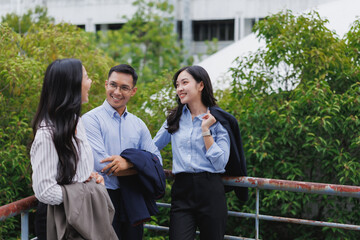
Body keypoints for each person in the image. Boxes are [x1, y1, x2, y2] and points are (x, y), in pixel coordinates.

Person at [154, 65, 247, 240]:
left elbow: (220, 163)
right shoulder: (175, 118)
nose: (179, 88)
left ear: (201, 85)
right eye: (177, 85)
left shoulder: (219, 121)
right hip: (182, 190)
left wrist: (206, 130)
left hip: (210, 190)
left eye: (184, 82)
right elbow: (152, 147)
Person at [30, 58, 115, 240]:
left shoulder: (76, 122)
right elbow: (45, 191)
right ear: (72, 85)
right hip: (59, 219)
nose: (90, 82)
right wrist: (89, 192)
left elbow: (74, 171)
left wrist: (89, 176)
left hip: (78, 214)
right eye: (86, 77)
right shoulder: (47, 134)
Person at [82, 64, 164, 240]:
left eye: (124, 87)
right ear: (106, 84)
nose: (117, 92)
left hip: (133, 198)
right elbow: (102, 165)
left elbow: (158, 161)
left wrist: (129, 162)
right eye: (113, 85)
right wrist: (142, 166)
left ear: (133, 91)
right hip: (102, 197)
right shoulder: (90, 121)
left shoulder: (138, 125)